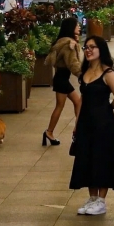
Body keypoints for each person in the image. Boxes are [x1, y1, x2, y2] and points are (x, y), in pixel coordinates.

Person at [69, 35, 114, 215]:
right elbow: (82, 100)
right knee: (87, 158)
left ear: (101, 50)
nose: (88, 50)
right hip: (86, 123)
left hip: (104, 124)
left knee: (102, 159)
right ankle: (92, 198)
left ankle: (101, 200)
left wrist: (107, 108)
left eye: (92, 47)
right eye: (86, 47)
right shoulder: (85, 72)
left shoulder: (108, 73)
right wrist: (77, 122)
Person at [43, 17, 83, 146]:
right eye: (77, 25)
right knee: (60, 106)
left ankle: (79, 129)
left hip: (62, 78)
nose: (79, 27)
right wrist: (82, 75)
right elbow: (73, 63)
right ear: (71, 28)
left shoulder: (63, 42)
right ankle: (49, 132)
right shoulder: (68, 45)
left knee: (77, 102)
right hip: (62, 80)